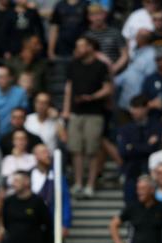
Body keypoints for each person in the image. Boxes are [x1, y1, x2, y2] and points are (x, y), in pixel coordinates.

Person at [63, 37, 112, 198]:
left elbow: (108, 89)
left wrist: (92, 97)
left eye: (82, 46)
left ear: (91, 47)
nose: (78, 49)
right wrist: (66, 109)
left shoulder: (101, 66)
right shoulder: (73, 65)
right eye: (77, 46)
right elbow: (68, 87)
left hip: (94, 113)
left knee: (92, 150)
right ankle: (78, 183)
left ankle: (90, 184)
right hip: (76, 112)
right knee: (76, 150)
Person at [0, 171, 52, 243]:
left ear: (27, 182)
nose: (13, 184)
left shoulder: (37, 202)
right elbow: (5, 222)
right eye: (13, 181)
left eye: (17, 181)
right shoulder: (8, 201)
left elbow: (47, 224)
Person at [117, 95, 162, 204]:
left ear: (146, 108)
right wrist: (147, 146)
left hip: (151, 171)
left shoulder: (157, 126)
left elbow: (156, 149)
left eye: (137, 108)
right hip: (131, 172)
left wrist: (133, 147)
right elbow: (123, 151)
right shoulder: (126, 129)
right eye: (132, 108)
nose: (133, 111)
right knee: (130, 203)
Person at [31, 144, 72, 235]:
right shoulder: (29, 175)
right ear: (36, 156)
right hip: (33, 223)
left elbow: (65, 199)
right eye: (43, 152)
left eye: (48, 152)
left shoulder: (58, 176)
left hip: (52, 222)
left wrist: (65, 223)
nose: (47, 155)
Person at [84, 4, 128, 75]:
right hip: (93, 74)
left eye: (99, 14)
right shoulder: (86, 36)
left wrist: (114, 69)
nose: (97, 18)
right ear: (89, 17)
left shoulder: (115, 33)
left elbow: (125, 55)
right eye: (93, 15)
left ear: (104, 15)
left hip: (115, 72)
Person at [0, 65, 28, 136]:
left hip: (13, 135)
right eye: (0, 77)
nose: (2, 80)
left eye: (5, 77)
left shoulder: (20, 93)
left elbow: (23, 114)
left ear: (11, 78)